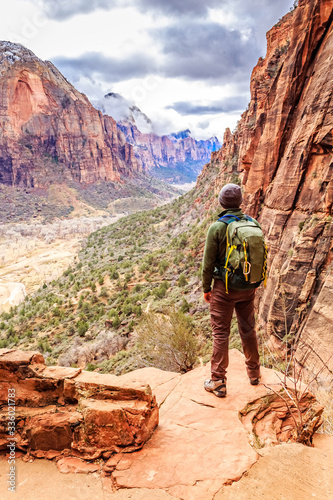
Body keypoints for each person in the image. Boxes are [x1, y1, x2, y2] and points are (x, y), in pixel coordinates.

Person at [202, 183, 261, 398]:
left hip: (224, 289)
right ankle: (254, 373)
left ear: (221, 202)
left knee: (220, 333)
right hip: (248, 287)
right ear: (240, 202)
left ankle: (218, 381)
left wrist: (206, 288)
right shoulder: (252, 222)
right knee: (248, 329)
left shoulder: (217, 227)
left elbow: (207, 263)